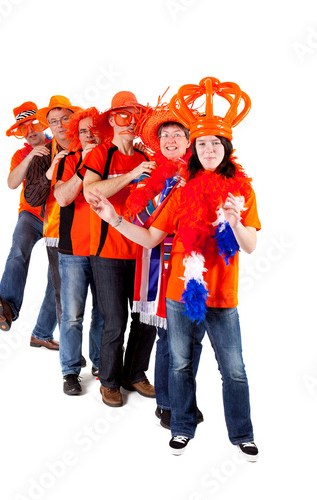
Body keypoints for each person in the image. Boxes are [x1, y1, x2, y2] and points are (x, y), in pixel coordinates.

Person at [87, 77, 261, 461]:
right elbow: (149, 237)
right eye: (203, 143)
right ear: (195, 150)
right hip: (179, 292)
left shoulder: (242, 191)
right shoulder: (181, 191)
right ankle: (181, 427)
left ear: (226, 148)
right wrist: (114, 217)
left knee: (233, 369)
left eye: (215, 143)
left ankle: (242, 435)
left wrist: (234, 221)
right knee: (180, 363)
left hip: (223, 295)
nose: (209, 148)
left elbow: (250, 245)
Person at [126, 105, 203, 429]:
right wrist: (169, 191)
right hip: (162, 263)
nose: (171, 140)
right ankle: (167, 404)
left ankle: (184, 398)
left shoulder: (204, 171)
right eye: (165, 135)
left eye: (177, 135)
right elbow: (137, 219)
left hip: (198, 265)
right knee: (169, 337)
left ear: (189, 141)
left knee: (195, 338)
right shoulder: (151, 174)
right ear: (158, 142)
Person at [82, 91, 157, 408]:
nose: (130, 122)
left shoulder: (146, 158)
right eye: (123, 115)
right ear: (112, 119)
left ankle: (134, 373)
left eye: (135, 115)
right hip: (108, 254)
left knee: (147, 321)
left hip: (144, 252)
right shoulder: (100, 155)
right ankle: (110, 382)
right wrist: (129, 177)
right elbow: (90, 192)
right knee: (114, 321)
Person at [0, 101, 59, 350]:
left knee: (57, 277)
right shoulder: (21, 154)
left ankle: (42, 333)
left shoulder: (58, 144)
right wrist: (31, 155)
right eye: (23, 129)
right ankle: (6, 309)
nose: (29, 131)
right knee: (18, 251)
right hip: (30, 215)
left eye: (33, 125)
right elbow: (11, 182)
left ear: (43, 123)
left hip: (56, 217)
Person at [52, 107, 104, 395]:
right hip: (72, 250)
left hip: (105, 249)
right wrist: (86, 165)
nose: (89, 134)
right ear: (77, 134)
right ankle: (70, 371)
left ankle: (99, 364)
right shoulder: (68, 161)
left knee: (104, 313)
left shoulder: (110, 158)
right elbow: (62, 197)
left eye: (94, 129)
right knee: (72, 314)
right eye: (83, 130)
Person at [24, 96, 82, 328]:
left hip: (93, 229)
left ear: (74, 120)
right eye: (54, 121)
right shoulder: (43, 153)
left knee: (100, 297)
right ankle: (69, 358)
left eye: (65, 119)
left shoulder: (89, 146)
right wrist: (50, 172)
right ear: (49, 125)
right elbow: (32, 197)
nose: (59, 125)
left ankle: (100, 360)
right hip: (57, 233)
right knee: (65, 299)